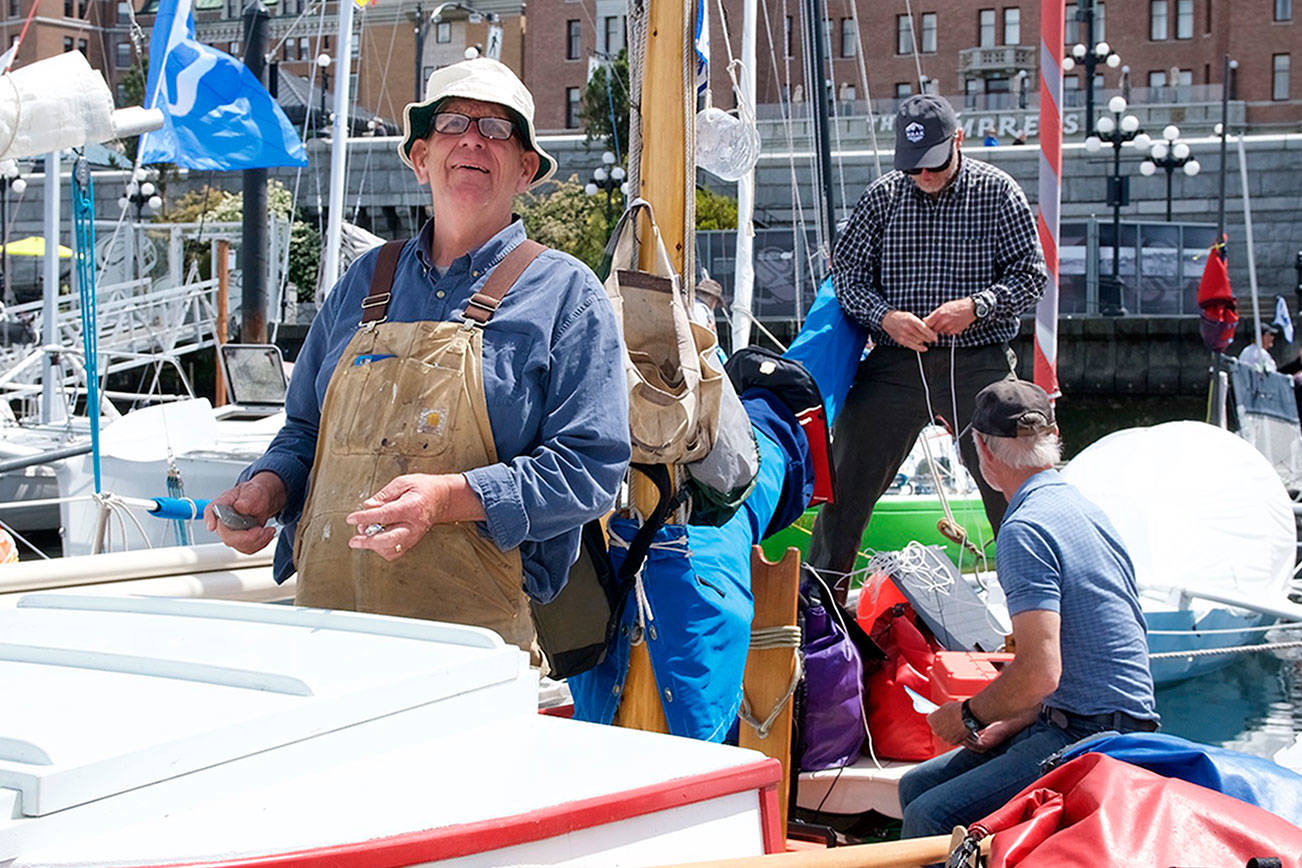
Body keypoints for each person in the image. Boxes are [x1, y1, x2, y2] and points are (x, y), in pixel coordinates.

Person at [206, 58, 630, 655]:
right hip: (328, 629)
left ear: (526, 170)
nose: (473, 140)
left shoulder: (567, 294)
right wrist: (267, 490)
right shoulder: (362, 282)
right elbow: (304, 429)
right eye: (454, 123)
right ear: (420, 157)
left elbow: (590, 470)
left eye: (498, 129)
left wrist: (448, 500)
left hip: (471, 647)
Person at [897, 379, 1159, 839]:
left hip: (1089, 734)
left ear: (983, 450)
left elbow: (1041, 672)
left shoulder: (1024, 530)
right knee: (918, 784)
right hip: (1098, 719)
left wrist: (969, 716)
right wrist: (1014, 720)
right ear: (1052, 438)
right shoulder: (1080, 506)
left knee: (929, 814)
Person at [809, 94, 1047, 591]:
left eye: (933, 165)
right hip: (896, 361)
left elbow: (1032, 277)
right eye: (913, 167)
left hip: (978, 360)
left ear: (957, 141)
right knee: (845, 485)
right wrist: (885, 317)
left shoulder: (999, 192)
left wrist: (976, 307)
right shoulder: (882, 196)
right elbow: (847, 277)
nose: (923, 175)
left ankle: (1033, 605)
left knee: (1014, 485)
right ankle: (819, 612)